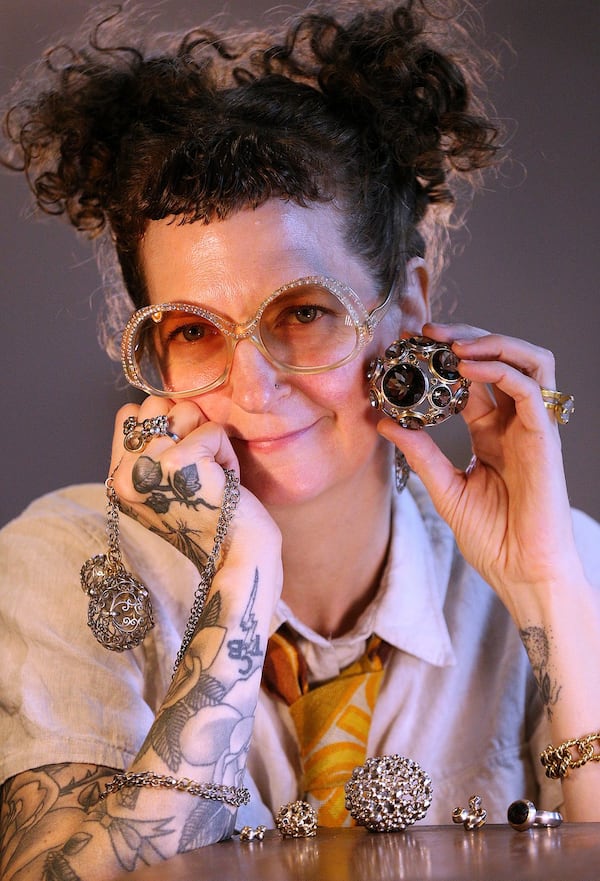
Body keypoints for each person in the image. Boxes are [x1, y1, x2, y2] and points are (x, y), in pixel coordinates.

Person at [1, 0, 599, 877]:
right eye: (194, 330)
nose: (253, 389)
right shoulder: (64, 564)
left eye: (305, 313)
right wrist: (240, 587)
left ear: (406, 309)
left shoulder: (568, 565)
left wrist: (548, 586)